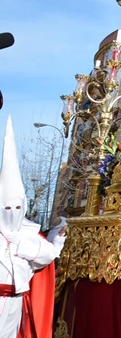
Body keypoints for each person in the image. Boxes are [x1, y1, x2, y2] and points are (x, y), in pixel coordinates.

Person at [0, 116, 65, 338]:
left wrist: (23, 243)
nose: (12, 212)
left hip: (16, 301)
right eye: (7, 207)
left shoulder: (28, 231)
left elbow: (48, 254)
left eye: (17, 207)